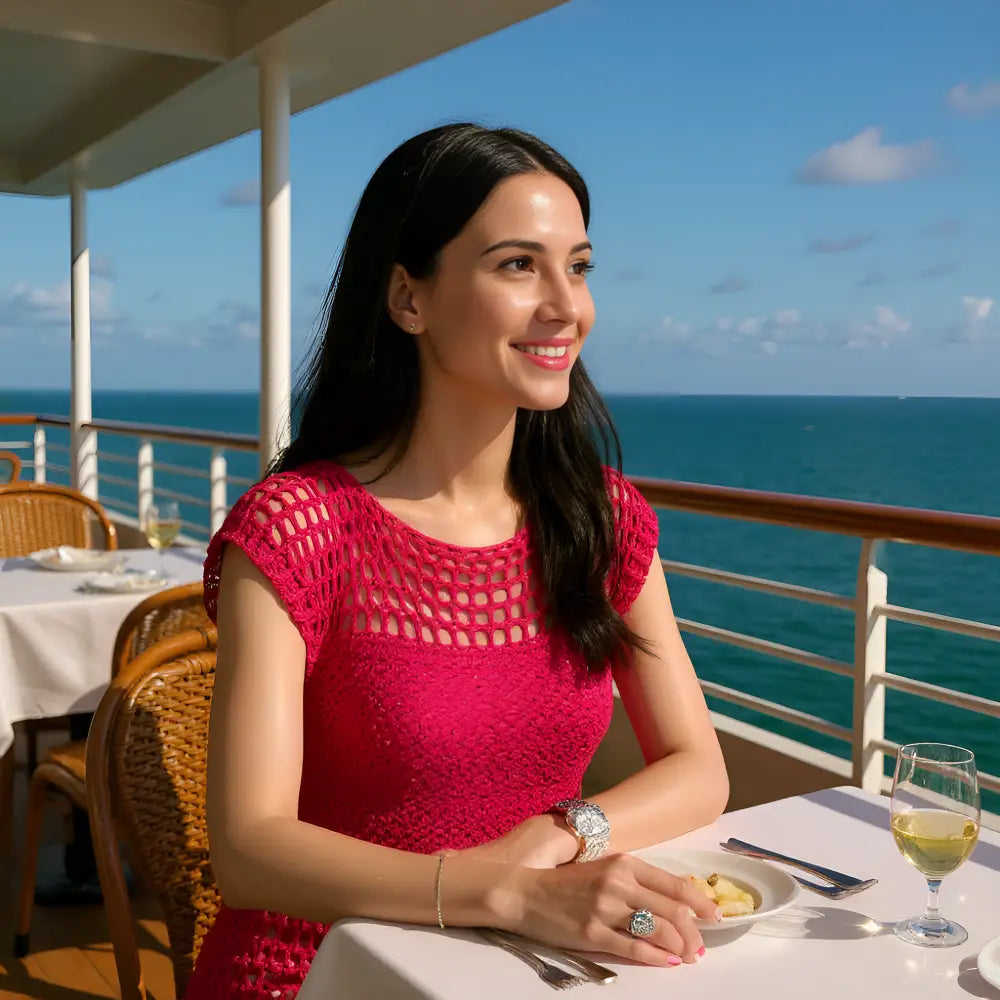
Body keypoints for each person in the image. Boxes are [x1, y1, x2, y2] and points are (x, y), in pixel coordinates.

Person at [187, 123, 730, 1000]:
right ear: (409, 298)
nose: (567, 305)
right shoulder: (299, 530)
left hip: (534, 962)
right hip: (320, 969)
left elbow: (700, 771)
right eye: (519, 265)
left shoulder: (599, 519)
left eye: (579, 267)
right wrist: (503, 891)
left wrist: (555, 839)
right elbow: (248, 849)